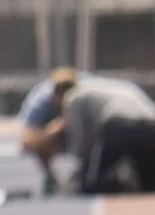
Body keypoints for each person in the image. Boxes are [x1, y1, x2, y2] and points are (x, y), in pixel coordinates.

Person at [17, 66, 155, 194]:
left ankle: (122, 187)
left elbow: (82, 143)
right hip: (150, 126)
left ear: (59, 95)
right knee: (149, 183)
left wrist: (79, 175)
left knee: (92, 184)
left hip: (119, 125)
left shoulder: (74, 98)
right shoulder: (103, 85)